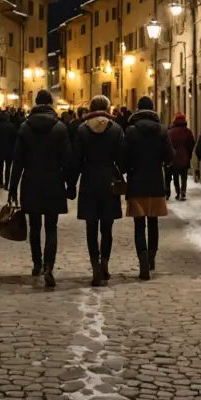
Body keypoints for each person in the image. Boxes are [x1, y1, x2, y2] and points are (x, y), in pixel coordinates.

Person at [9, 89, 73, 287]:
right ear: (51, 104)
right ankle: (49, 266)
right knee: (51, 227)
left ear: (36, 103)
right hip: (53, 182)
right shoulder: (60, 128)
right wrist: (70, 184)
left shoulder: (25, 128)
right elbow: (68, 160)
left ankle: (36, 263)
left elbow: (17, 161)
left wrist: (12, 186)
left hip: (31, 182)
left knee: (35, 227)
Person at [69, 95, 124, 287]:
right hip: (109, 181)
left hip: (89, 180)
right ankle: (105, 265)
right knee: (107, 228)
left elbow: (76, 160)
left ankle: (94, 268)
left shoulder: (82, 130)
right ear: (108, 108)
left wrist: (71, 184)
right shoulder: (116, 129)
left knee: (91, 228)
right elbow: (122, 159)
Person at [121, 96, 174, 280]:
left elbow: (123, 159)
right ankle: (151, 258)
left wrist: (127, 169)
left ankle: (142, 258)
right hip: (155, 182)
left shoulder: (131, 131)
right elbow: (169, 156)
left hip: (137, 182)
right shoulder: (161, 131)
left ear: (137, 109)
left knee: (138, 224)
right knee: (153, 222)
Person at [167, 113, 195, 201]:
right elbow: (192, 143)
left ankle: (177, 191)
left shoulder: (170, 132)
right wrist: (188, 152)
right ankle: (183, 191)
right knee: (184, 176)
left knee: (175, 176)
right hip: (184, 156)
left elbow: (167, 144)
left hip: (174, 157)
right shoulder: (187, 131)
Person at [0, 111, 18, 189]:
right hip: (10, 150)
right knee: (8, 169)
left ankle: (1, 183)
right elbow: (15, 138)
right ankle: (7, 184)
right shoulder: (12, 126)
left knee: (0, 167)